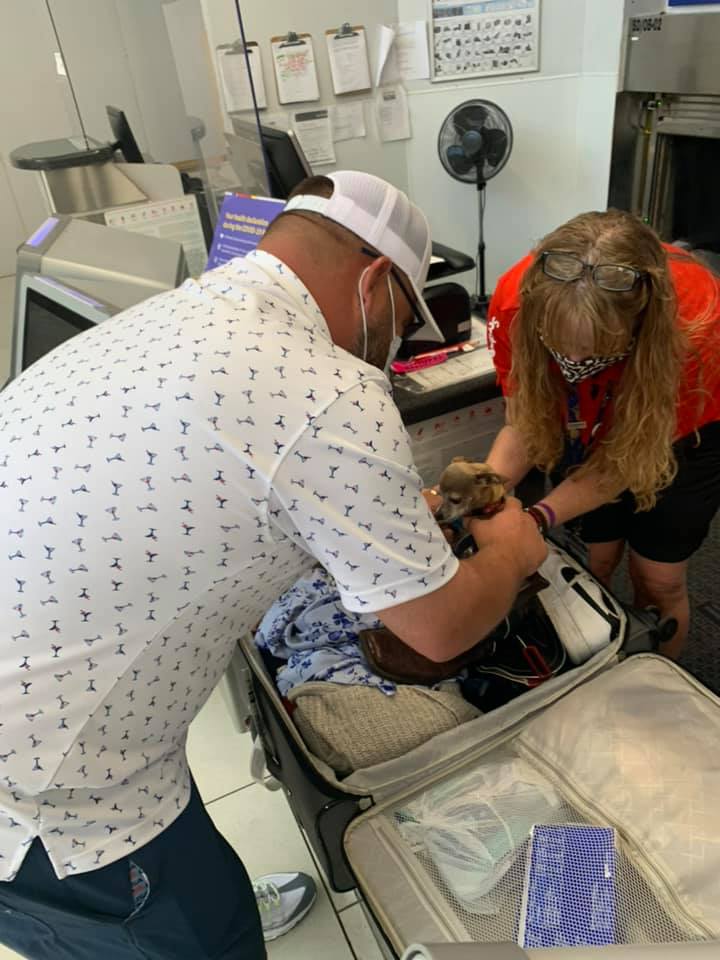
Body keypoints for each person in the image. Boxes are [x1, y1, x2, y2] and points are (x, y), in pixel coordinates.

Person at [0, 170, 546, 960]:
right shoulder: (328, 390)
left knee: (180, 881)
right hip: (53, 799)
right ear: (374, 279)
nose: (394, 339)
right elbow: (439, 628)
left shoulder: (169, 318)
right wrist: (519, 547)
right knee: (199, 929)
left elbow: (222, 491)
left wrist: (392, 518)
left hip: (40, 719)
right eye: (402, 315)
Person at [485, 209, 720, 660]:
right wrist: (484, 492)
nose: (573, 359)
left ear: (638, 328)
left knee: (658, 578)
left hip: (690, 430)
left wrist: (534, 519)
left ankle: (654, 677)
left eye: (593, 349)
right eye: (559, 345)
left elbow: (625, 460)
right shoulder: (516, 302)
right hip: (586, 415)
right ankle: (599, 653)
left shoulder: (696, 327)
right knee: (593, 561)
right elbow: (527, 421)